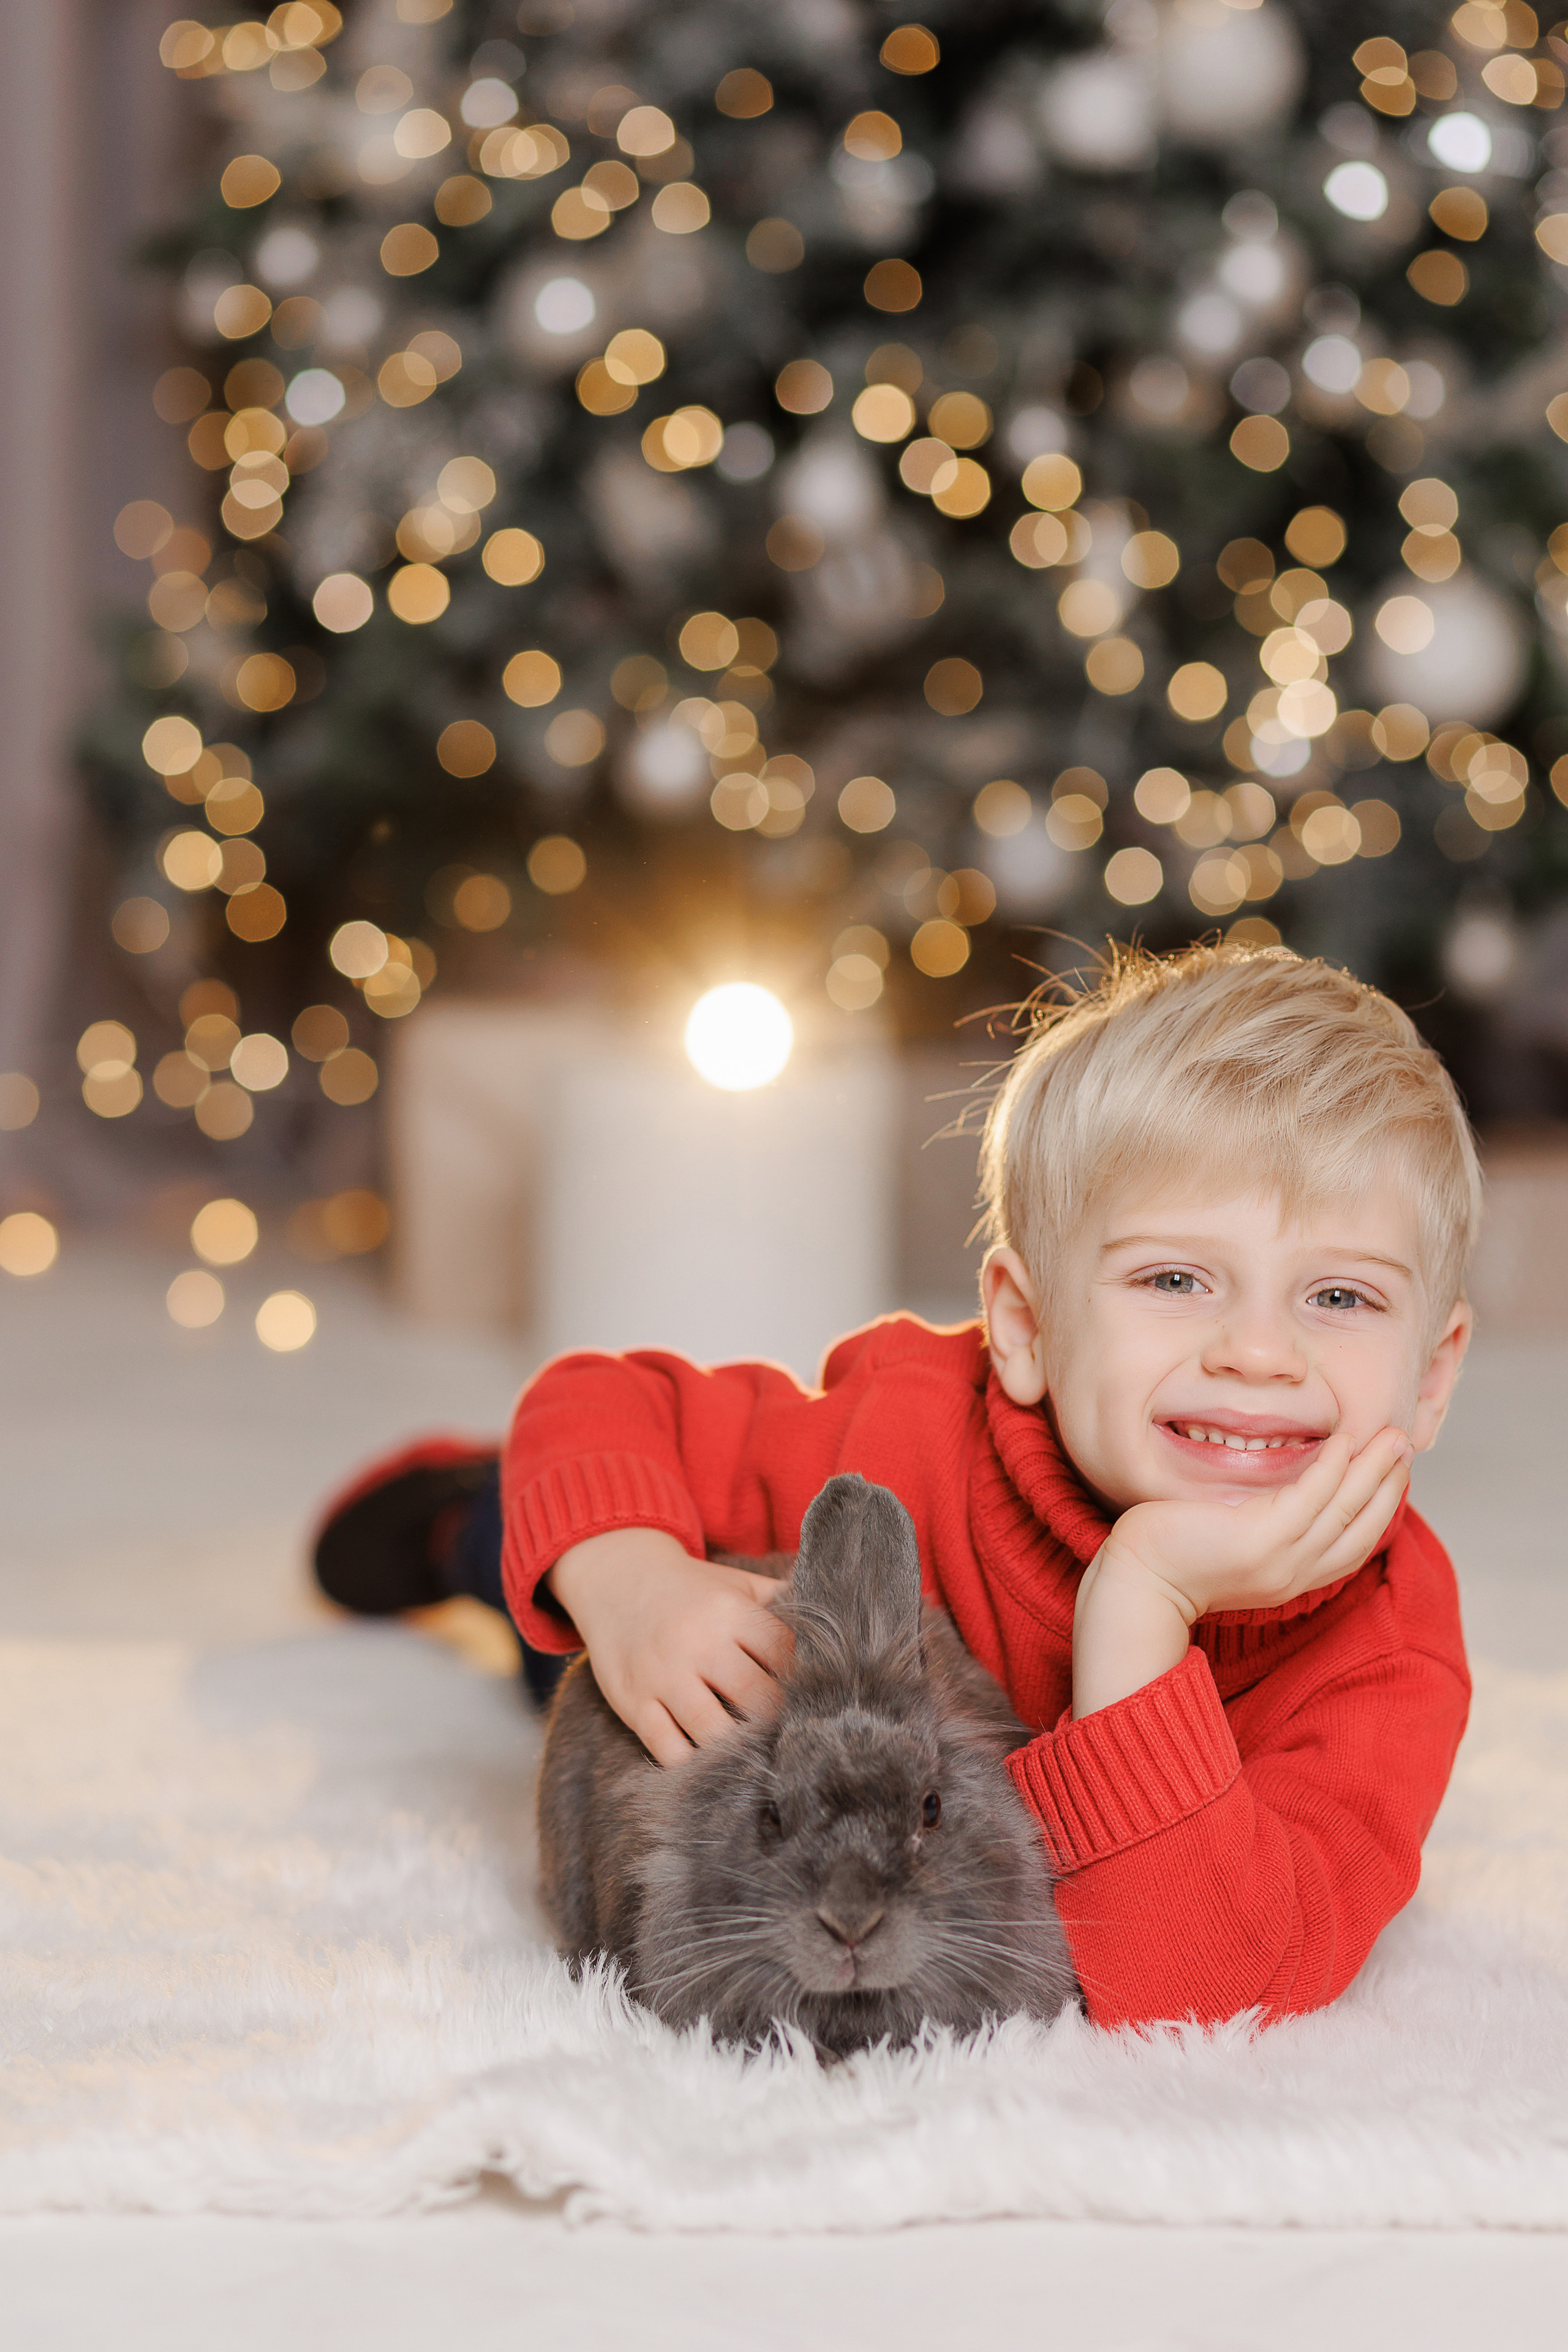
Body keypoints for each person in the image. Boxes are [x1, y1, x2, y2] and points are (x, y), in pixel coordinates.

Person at [314, 943, 1479, 2029]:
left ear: (1432, 1378)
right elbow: (608, 1400)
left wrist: (1141, 1604)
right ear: (1023, 1329)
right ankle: (464, 1523)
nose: (1258, 1353)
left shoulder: (1387, 1654)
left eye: (1341, 1298)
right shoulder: (908, 1427)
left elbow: (1204, 1984)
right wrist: (628, 1581)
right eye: (1177, 1278)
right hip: (731, 1661)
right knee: (591, 1646)